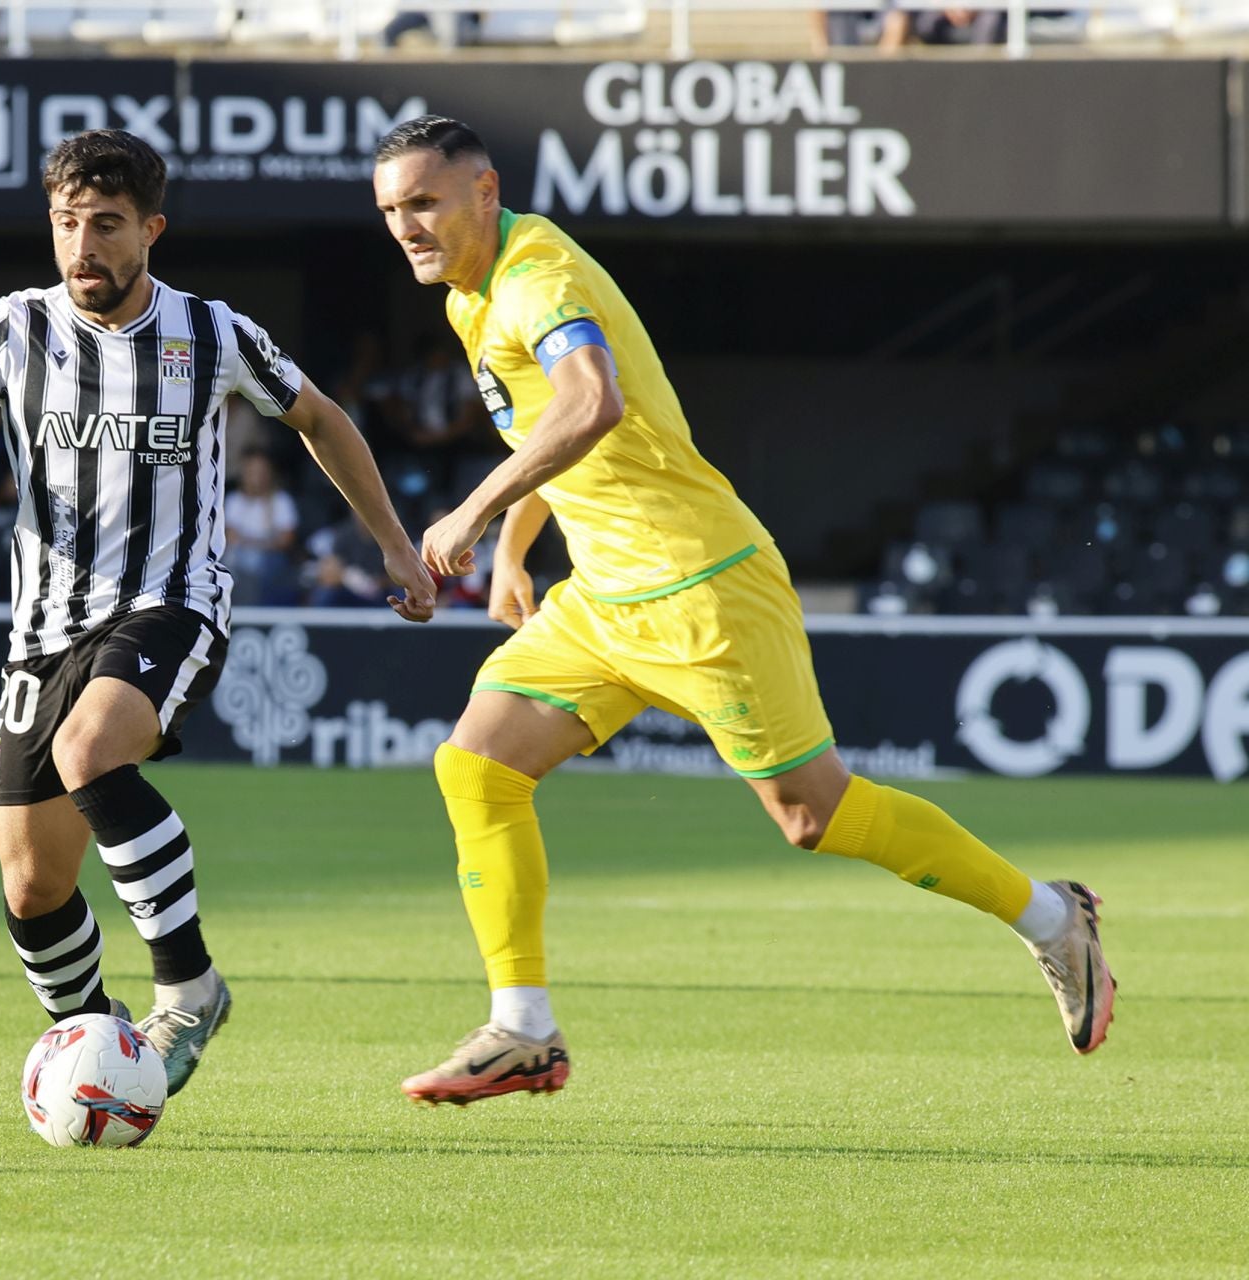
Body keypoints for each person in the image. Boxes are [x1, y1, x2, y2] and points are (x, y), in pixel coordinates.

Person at [370, 116, 1116, 1105]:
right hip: (603, 597)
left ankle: (1052, 915)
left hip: (700, 587)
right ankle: (523, 1028)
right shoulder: (477, 289)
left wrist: (473, 508)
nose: (407, 225)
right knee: (478, 762)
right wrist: (513, 549)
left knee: (816, 813)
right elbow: (565, 428)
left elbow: (589, 402)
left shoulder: (536, 275)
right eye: (390, 210)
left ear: (483, 189)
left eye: (424, 200)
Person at [0, 128, 435, 1095]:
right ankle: (97, 1056)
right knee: (33, 888)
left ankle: (189, 989)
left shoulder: (212, 333)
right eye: (67, 222)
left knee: (91, 753)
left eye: (107, 225)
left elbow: (320, 417)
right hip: (43, 634)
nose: (83, 245)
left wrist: (393, 542)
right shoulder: (14, 330)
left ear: (151, 231)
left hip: (172, 604)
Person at [223, 449, 301, 605]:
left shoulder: (281, 501)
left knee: (265, 564)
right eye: (252, 472)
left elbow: (286, 540)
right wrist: (262, 542)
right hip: (238, 556)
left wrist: (254, 544)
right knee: (231, 563)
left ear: (270, 474)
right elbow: (230, 537)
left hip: (271, 558)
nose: (257, 478)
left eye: (262, 472)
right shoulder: (233, 501)